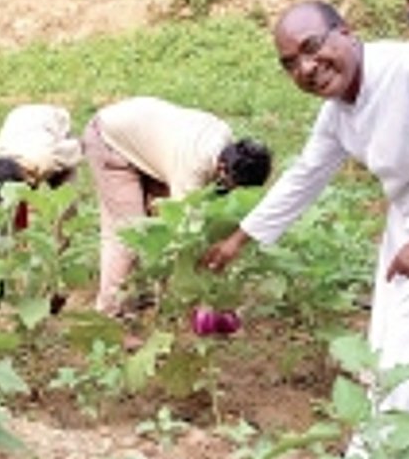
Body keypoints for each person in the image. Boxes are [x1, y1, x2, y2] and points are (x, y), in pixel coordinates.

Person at [201, 1, 409, 414]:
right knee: (396, 323)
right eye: (290, 64)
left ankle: (394, 450)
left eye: (312, 46)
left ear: (347, 31)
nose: (306, 67)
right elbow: (305, 176)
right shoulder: (338, 112)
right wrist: (239, 240)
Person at [82, 96, 272, 316]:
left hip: (145, 133)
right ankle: (109, 311)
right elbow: (182, 231)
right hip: (109, 140)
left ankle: (141, 290)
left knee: (151, 222)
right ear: (222, 168)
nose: (232, 191)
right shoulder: (191, 167)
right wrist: (193, 279)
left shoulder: (225, 139)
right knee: (127, 231)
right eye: (232, 185)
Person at [0, 104, 84, 231]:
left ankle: (64, 240)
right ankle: (15, 237)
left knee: (66, 202)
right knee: (6, 209)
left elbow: (78, 148)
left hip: (52, 121)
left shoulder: (48, 157)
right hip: (20, 120)